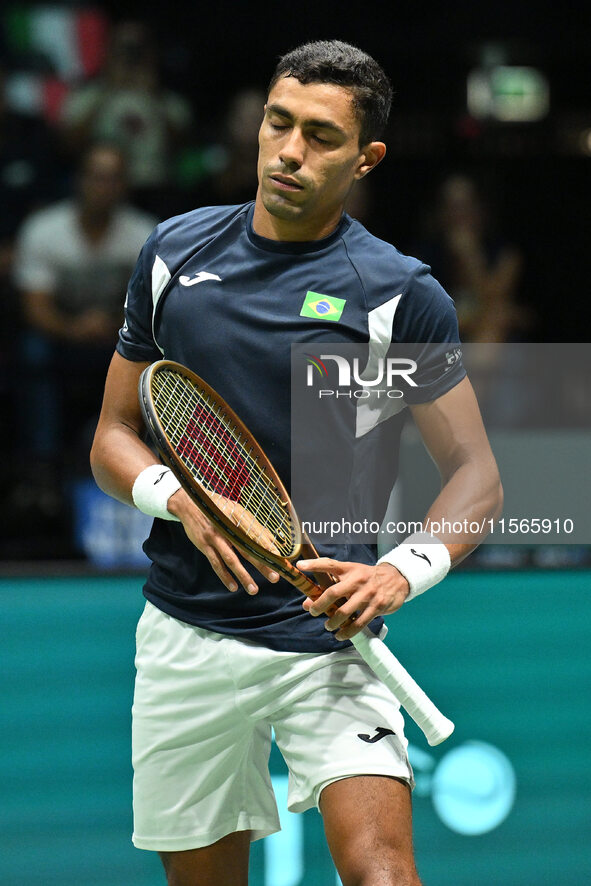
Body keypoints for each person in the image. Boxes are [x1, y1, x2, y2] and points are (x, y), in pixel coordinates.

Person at [90, 40, 502, 886]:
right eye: (279, 123)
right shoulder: (173, 255)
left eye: (320, 136)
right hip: (185, 636)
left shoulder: (394, 294)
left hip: (330, 643)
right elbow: (112, 436)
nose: (288, 150)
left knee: (381, 874)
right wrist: (179, 499)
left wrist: (398, 574)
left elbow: (476, 475)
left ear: (365, 159)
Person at [13, 142, 156, 481]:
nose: (104, 187)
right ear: (79, 179)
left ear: (125, 184)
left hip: (122, 335)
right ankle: (42, 464)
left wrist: (117, 327)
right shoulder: (43, 230)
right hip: (60, 333)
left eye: (114, 178)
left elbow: (156, 311)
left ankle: (145, 459)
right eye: (97, 177)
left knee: (158, 357)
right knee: (32, 352)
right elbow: (35, 309)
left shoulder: (148, 233)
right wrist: (76, 329)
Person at [60, 21, 193, 218]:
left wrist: (153, 95)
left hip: (154, 191)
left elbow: (183, 148)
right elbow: (69, 146)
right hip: (102, 189)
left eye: (137, 50)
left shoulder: (167, 100)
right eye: (123, 49)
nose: (130, 58)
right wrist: (107, 90)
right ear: (109, 52)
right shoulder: (87, 96)